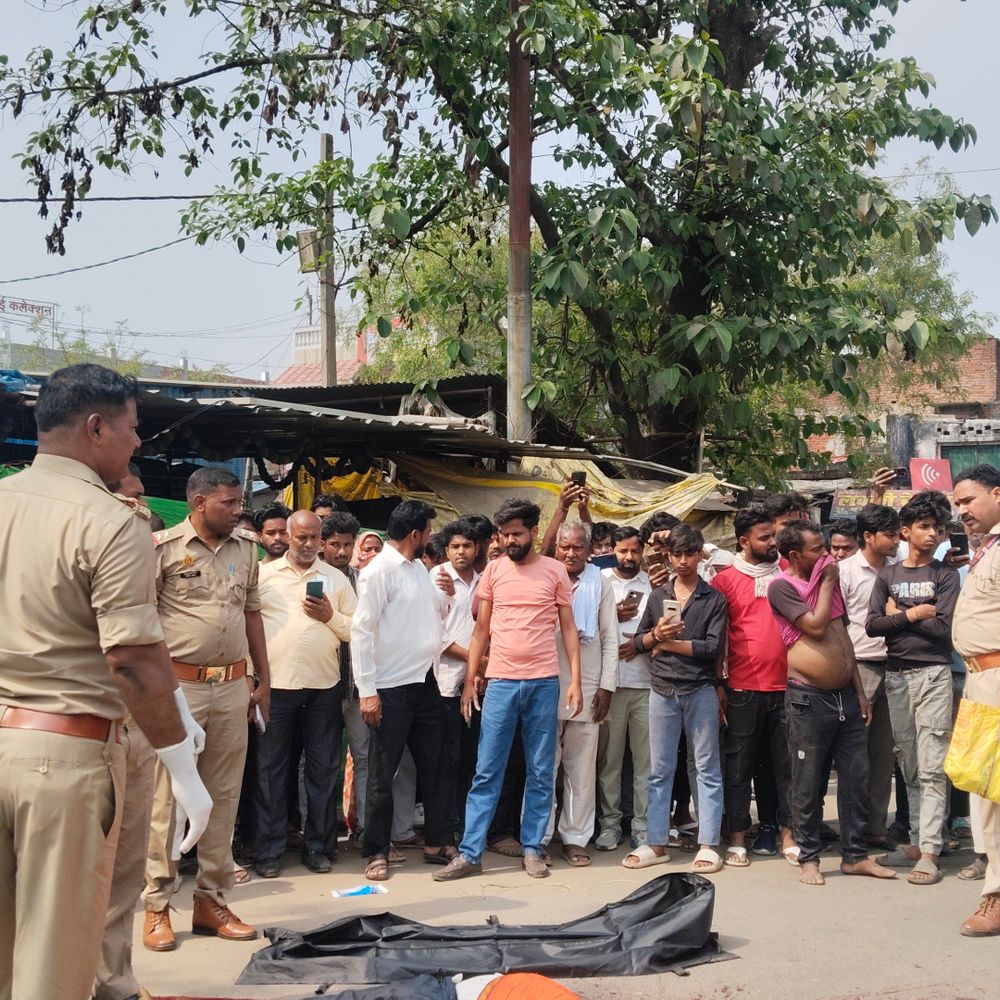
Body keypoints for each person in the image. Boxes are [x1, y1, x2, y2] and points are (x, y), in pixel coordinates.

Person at [0, 364, 210, 1000]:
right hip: (64, 757)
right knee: (53, 960)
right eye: (132, 428)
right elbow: (133, 660)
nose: (137, 442)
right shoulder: (111, 519)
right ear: (96, 428)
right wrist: (180, 763)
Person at [142, 466, 270, 950]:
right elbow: (142, 622)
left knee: (222, 796)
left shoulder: (247, 549)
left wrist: (263, 678)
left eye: (240, 502)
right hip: (178, 689)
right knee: (168, 799)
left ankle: (211, 900)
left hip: (233, 686)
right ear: (199, 503)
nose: (239, 511)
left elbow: (252, 613)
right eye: (228, 503)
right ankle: (157, 904)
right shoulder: (163, 549)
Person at [434, 499, 583, 882]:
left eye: (516, 534)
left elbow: (568, 628)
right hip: (500, 683)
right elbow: (481, 630)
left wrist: (576, 681)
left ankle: (532, 849)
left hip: (543, 683)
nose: (509, 541)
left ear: (533, 531)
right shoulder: (494, 572)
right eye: (503, 535)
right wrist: (470, 681)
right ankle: (470, 853)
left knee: (540, 771)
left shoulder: (554, 571)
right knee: (487, 771)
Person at [769, 522, 894, 887]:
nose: (826, 556)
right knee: (807, 781)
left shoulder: (829, 585)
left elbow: (842, 638)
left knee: (857, 775)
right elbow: (816, 626)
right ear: (795, 556)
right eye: (817, 550)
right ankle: (809, 858)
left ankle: (855, 856)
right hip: (809, 699)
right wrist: (826, 581)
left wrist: (859, 692)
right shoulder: (782, 586)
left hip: (846, 698)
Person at [350, 500, 457, 880]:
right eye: (428, 531)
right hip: (389, 686)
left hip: (423, 681)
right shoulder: (378, 571)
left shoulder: (416, 569)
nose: (431, 536)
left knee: (436, 762)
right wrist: (367, 691)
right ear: (415, 534)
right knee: (383, 772)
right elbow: (361, 631)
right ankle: (377, 851)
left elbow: (429, 614)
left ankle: (437, 841)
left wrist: (446, 595)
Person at [253, 510, 356, 878]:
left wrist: (330, 616)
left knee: (322, 770)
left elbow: (356, 630)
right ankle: (268, 851)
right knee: (270, 770)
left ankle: (319, 847)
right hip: (275, 689)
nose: (309, 544)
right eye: (302, 537)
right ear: (287, 536)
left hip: (322, 688)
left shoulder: (336, 579)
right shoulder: (263, 575)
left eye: (315, 538)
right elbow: (248, 627)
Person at [866, 494, 961, 885]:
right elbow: (873, 625)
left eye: (938, 527)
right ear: (905, 532)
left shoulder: (945, 575)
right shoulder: (888, 575)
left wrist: (902, 615)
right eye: (924, 526)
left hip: (934, 674)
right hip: (897, 676)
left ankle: (932, 851)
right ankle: (919, 842)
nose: (933, 533)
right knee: (909, 763)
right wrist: (919, 612)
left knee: (933, 763)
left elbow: (943, 629)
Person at [623, 525, 728, 874]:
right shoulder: (658, 597)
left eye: (689, 554)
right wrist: (656, 635)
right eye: (677, 554)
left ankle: (708, 844)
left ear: (699, 555)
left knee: (705, 767)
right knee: (659, 769)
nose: (683, 561)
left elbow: (711, 648)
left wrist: (666, 643)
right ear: (668, 557)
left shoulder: (713, 598)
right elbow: (638, 642)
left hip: (700, 688)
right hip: (662, 689)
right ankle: (656, 842)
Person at [710, 508, 794, 867]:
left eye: (773, 535)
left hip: (788, 687)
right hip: (742, 688)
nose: (773, 542)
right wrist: (719, 684)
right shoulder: (724, 581)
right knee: (739, 767)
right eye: (765, 537)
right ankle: (737, 837)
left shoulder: (787, 572)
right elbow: (717, 639)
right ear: (744, 541)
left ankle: (788, 835)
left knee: (785, 767)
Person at [547, 521, 618, 867]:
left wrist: (607, 685)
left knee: (581, 769)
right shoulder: (545, 578)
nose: (571, 553)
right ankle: (538, 837)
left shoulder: (600, 583)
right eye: (565, 547)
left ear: (589, 551)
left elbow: (609, 636)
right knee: (544, 767)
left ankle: (575, 838)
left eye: (578, 547)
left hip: (588, 685)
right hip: (546, 681)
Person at [950, 465, 1000, 935]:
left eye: (968, 500)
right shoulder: (988, 547)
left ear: (997, 494)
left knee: (993, 794)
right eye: (957, 503)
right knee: (982, 787)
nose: (961, 510)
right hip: (981, 679)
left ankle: (995, 897)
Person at [837, 504, 901, 848]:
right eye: (890, 535)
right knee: (854, 755)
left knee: (883, 754)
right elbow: (837, 625)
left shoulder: (900, 568)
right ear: (868, 536)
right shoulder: (844, 571)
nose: (896, 541)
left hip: (895, 664)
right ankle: (854, 831)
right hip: (859, 666)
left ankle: (876, 828)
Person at [596, 526, 653, 851]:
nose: (629, 557)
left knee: (646, 763)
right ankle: (609, 824)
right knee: (610, 762)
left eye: (635, 551)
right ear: (612, 550)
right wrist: (611, 615)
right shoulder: (600, 580)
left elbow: (665, 626)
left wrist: (640, 643)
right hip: (611, 686)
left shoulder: (653, 583)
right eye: (623, 551)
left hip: (646, 685)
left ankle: (642, 826)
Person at [437, 519, 483, 835]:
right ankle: (445, 825)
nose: (461, 552)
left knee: (471, 757)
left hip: (478, 683)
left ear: (476, 548)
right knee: (447, 758)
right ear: (446, 549)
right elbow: (436, 635)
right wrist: (477, 660)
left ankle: (466, 825)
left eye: (467, 545)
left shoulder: (484, 580)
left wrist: (481, 668)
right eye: (455, 546)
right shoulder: (438, 578)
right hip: (444, 682)